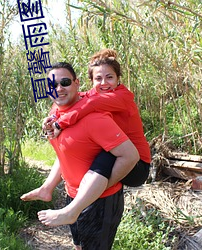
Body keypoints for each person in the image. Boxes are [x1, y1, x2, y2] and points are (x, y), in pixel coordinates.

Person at [21, 49, 151, 228]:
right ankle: (47, 188)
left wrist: (60, 124)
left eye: (109, 77)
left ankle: (72, 210)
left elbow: (87, 105)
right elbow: (75, 100)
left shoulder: (122, 97)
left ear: (118, 78)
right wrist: (51, 119)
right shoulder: (93, 94)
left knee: (105, 156)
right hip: (118, 151)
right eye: (98, 79)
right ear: (91, 81)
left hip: (137, 165)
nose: (104, 83)